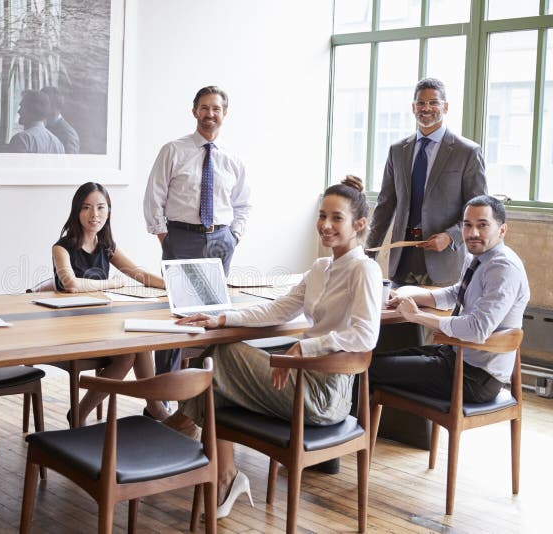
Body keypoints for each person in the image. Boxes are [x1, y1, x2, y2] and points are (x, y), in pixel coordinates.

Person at [169, 176, 381, 519]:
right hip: (300, 382)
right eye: (322, 215)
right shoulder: (321, 267)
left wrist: (305, 350)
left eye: (336, 218)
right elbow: (278, 309)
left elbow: (366, 335)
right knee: (220, 369)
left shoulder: (364, 270)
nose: (325, 225)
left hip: (326, 395)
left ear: (359, 224)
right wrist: (222, 318)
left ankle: (182, 427)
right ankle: (224, 474)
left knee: (221, 358)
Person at [369, 195, 530, 403]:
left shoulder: (503, 268)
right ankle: (372, 432)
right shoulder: (476, 257)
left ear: (502, 230)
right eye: (467, 225)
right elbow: (456, 293)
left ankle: (351, 432)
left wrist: (417, 316)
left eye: (482, 225)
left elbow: (477, 329)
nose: (472, 233)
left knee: (369, 368)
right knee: (372, 360)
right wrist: (409, 296)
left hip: (476, 377)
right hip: (455, 356)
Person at [143, 85, 251, 374]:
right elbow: (154, 196)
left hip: (220, 240)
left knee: (215, 316)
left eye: (216, 108)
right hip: (181, 237)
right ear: (194, 111)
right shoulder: (173, 150)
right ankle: (164, 393)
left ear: (224, 114)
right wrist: (166, 237)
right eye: (204, 108)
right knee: (177, 317)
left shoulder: (233, 159)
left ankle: (205, 394)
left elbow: (243, 205)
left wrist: (233, 237)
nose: (210, 114)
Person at [53, 182, 170, 426]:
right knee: (130, 352)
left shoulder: (106, 247)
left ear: (108, 211)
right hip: (73, 328)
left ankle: (82, 413)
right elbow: (70, 284)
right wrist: (111, 285)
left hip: (101, 322)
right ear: (77, 211)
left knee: (138, 344)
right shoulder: (61, 247)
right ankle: (154, 407)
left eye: (100, 207)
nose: (94, 214)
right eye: (86, 208)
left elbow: (139, 273)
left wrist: (172, 284)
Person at [367, 77, 487, 288]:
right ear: (413, 107)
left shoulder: (467, 152)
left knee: (436, 321)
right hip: (402, 258)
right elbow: (385, 205)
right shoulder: (397, 151)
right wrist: (367, 256)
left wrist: (451, 237)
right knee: (396, 319)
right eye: (421, 103)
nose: (426, 108)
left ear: (446, 107)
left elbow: (479, 210)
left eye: (434, 102)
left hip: (443, 259)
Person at [9, 90, 65, 154]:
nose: (19, 111)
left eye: (22, 107)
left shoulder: (21, 139)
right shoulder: (58, 144)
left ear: (32, 110)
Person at [41, 86, 80, 154]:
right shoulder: (43, 127)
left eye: (42, 104)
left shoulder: (68, 134)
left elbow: (69, 162)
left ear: (54, 107)